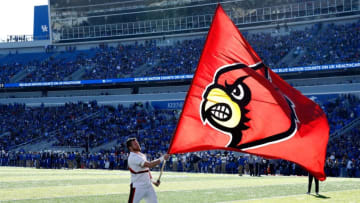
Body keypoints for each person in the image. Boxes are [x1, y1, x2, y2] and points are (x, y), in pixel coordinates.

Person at [126, 138, 170, 203]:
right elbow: (150, 165)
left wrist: (153, 181)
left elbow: (147, 170)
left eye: (137, 143)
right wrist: (162, 158)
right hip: (138, 187)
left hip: (148, 186)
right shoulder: (133, 157)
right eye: (135, 144)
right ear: (130, 148)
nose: (138, 145)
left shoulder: (141, 155)